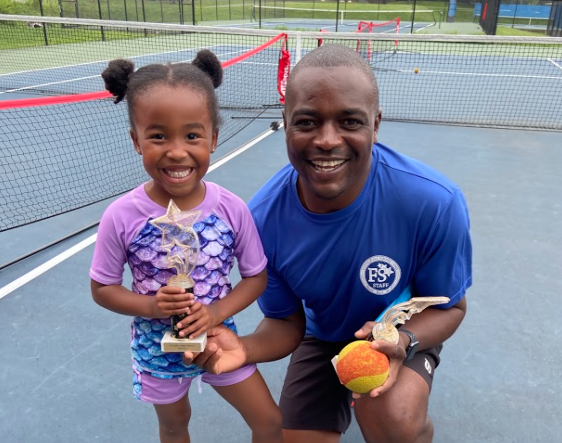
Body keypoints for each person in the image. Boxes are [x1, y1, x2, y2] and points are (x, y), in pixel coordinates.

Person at [183, 43, 472, 443]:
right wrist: (244, 349)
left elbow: (450, 307)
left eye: (350, 121)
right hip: (323, 335)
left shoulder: (433, 202)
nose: (327, 140)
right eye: (307, 122)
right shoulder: (262, 221)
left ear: (376, 124)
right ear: (286, 122)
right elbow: (286, 322)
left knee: (393, 418)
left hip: (403, 329)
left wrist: (401, 341)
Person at [89, 50, 282, 443]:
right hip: (157, 351)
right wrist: (151, 306)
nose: (176, 151)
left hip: (219, 341)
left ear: (213, 138)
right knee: (175, 426)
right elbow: (103, 288)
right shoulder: (120, 216)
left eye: (192, 135)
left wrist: (215, 313)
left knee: (270, 422)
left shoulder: (232, 209)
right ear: (136, 140)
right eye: (158, 136)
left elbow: (256, 277)